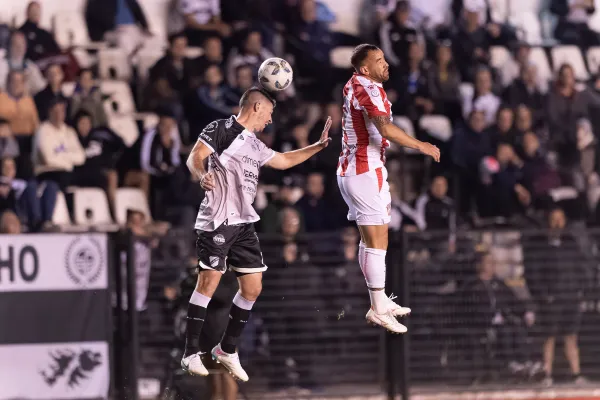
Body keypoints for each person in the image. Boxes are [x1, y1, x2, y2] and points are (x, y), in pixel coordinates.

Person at [180, 87, 333, 381]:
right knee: (209, 282)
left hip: (244, 224)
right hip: (218, 219)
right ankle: (190, 354)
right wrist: (203, 175)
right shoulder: (222, 128)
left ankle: (226, 349)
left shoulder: (255, 144)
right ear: (256, 107)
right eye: (270, 113)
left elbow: (284, 160)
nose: (271, 120)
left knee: (253, 288)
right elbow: (195, 158)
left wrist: (316, 146)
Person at [336, 44, 440, 334]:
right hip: (362, 169)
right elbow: (385, 129)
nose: (386, 63)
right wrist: (422, 145)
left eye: (384, 58)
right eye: (378, 60)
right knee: (377, 239)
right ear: (365, 68)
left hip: (364, 168)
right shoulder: (367, 88)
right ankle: (378, 307)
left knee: (374, 238)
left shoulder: (357, 83)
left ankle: (379, 300)